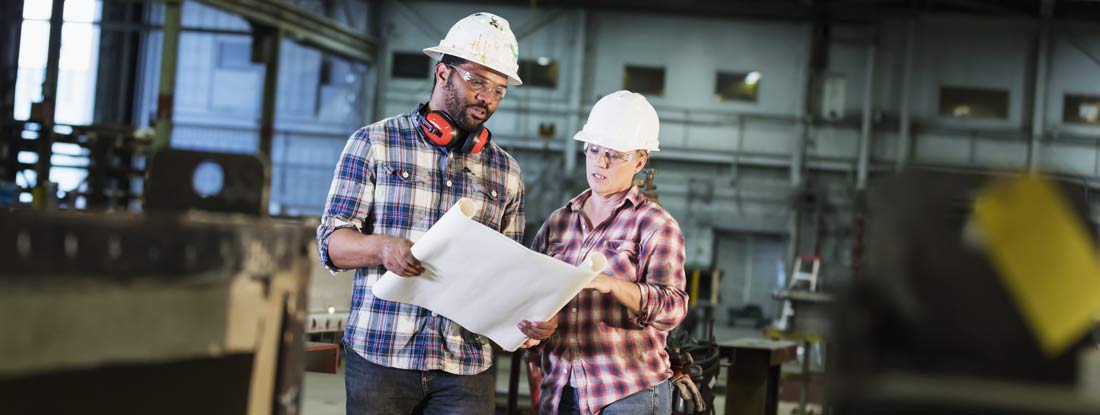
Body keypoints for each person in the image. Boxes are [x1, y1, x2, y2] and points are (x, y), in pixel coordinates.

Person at [316, 12, 527, 415]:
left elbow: (508, 273)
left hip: (466, 364)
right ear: (443, 73)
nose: (488, 98)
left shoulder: (507, 173)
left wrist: (527, 317)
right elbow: (332, 244)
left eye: (499, 89)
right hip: (382, 355)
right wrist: (383, 249)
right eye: (477, 81)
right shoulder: (373, 144)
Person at [519, 90, 689, 415]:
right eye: (594, 150)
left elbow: (673, 309)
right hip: (559, 389)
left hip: (627, 392)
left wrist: (612, 284)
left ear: (640, 161)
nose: (601, 162)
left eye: (614, 154)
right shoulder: (559, 222)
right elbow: (530, 292)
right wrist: (535, 328)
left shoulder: (654, 225)